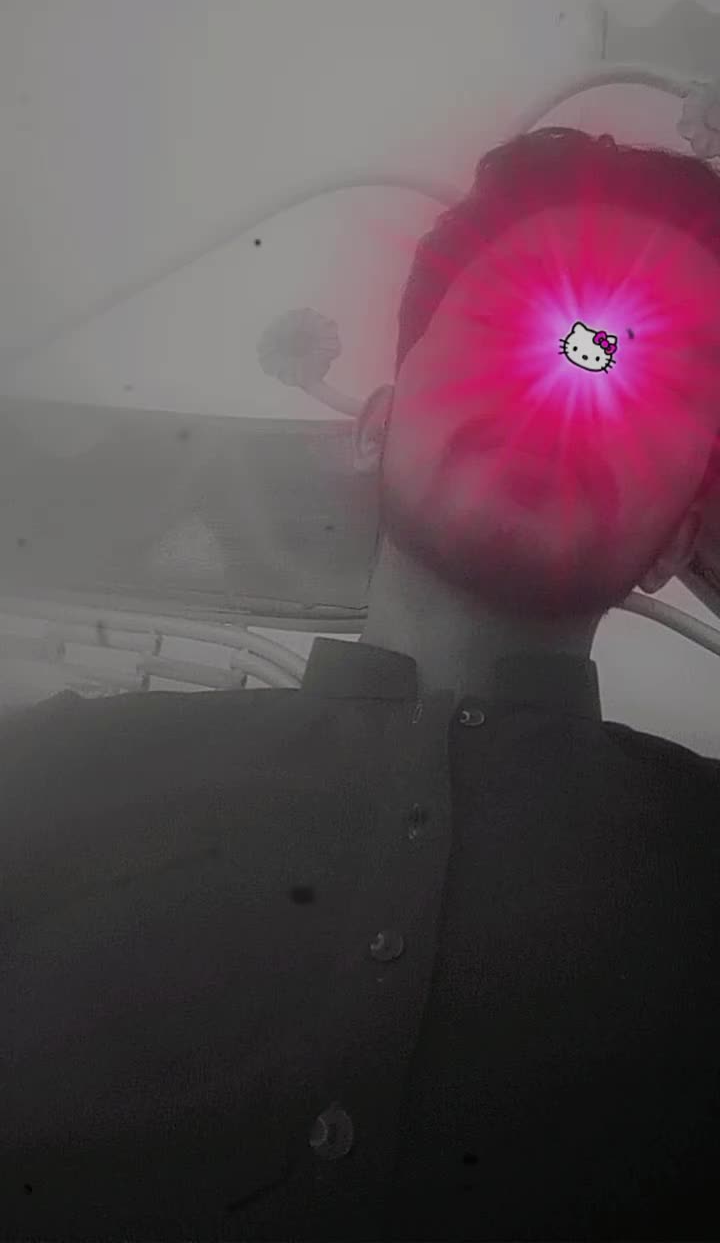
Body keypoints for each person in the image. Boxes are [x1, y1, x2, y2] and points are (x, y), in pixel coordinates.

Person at [1, 126, 719, 1242]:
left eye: (649, 377)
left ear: (682, 539)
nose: (570, 379)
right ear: (379, 424)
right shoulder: (42, 772)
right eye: (511, 325)